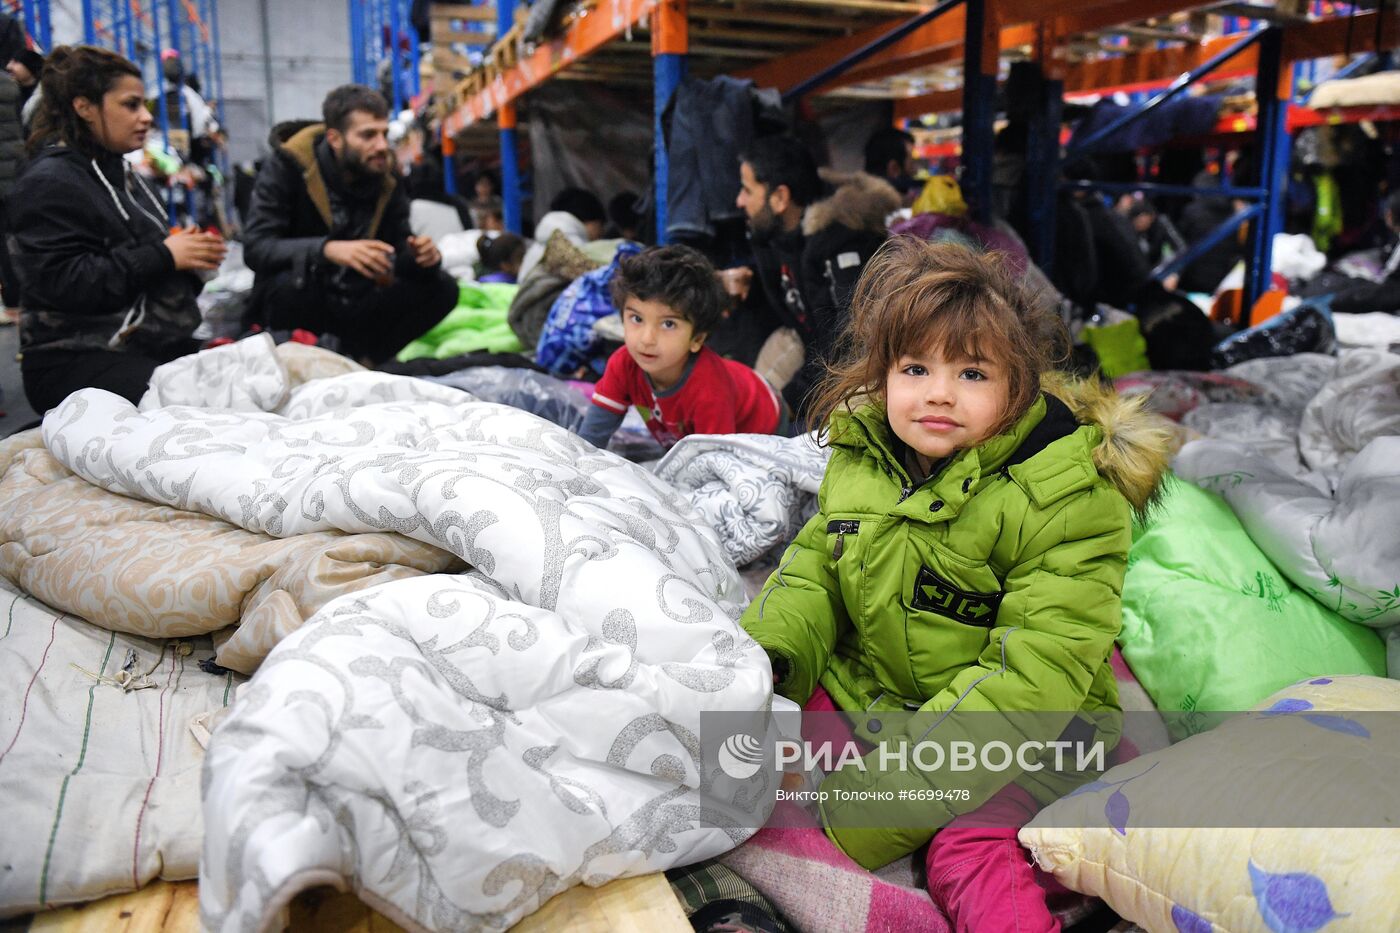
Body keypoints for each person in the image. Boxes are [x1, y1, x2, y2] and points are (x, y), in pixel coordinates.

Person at [741, 239, 1169, 933]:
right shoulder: (867, 454)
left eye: (971, 372)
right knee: (735, 740)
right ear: (882, 376)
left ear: (1019, 384)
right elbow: (818, 566)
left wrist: (875, 803)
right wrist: (770, 660)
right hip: (887, 686)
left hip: (1038, 731)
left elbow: (1033, 677)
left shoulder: (1066, 498)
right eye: (915, 367)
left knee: (961, 842)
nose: (937, 392)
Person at [9, 45, 226, 412]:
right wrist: (164, 256)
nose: (145, 118)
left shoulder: (124, 175)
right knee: (195, 405)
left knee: (240, 379)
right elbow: (65, 283)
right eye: (131, 105)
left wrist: (188, 258)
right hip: (72, 358)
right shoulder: (50, 182)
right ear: (85, 108)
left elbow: (142, 259)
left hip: (138, 343)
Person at [243, 84, 458, 365]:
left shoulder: (385, 174)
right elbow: (257, 247)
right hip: (302, 303)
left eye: (384, 133)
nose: (381, 145)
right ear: (335, 139)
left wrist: (421, 257)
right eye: (368, 135)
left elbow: (396, 247)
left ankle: (364, 361)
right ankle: (313, 359)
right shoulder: (288, 167)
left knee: (442, 288)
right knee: (290, 286)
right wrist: (327, 250)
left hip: (357, 301)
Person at [728, 134, 899, 415]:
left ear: (780, 197)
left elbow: (848, 345)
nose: (739, 201)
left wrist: (791, 399)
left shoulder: (842, 244)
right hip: (806, 352)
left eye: (747, 189)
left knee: (764, 418)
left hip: (858, 374)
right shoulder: (774, 238)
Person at [578, 244, 783, 450]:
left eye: (668, 324)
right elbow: (591, 436)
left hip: (766, 422)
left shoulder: (709, 391)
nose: (647, 339)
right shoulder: (624, 364)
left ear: (697, 339)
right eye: (637, 318)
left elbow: (714, 462)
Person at [863, 125, 920, 203]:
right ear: (894, 169)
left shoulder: (852, 205)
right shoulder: (900, 210)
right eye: (911, 162)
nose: (916, 171)